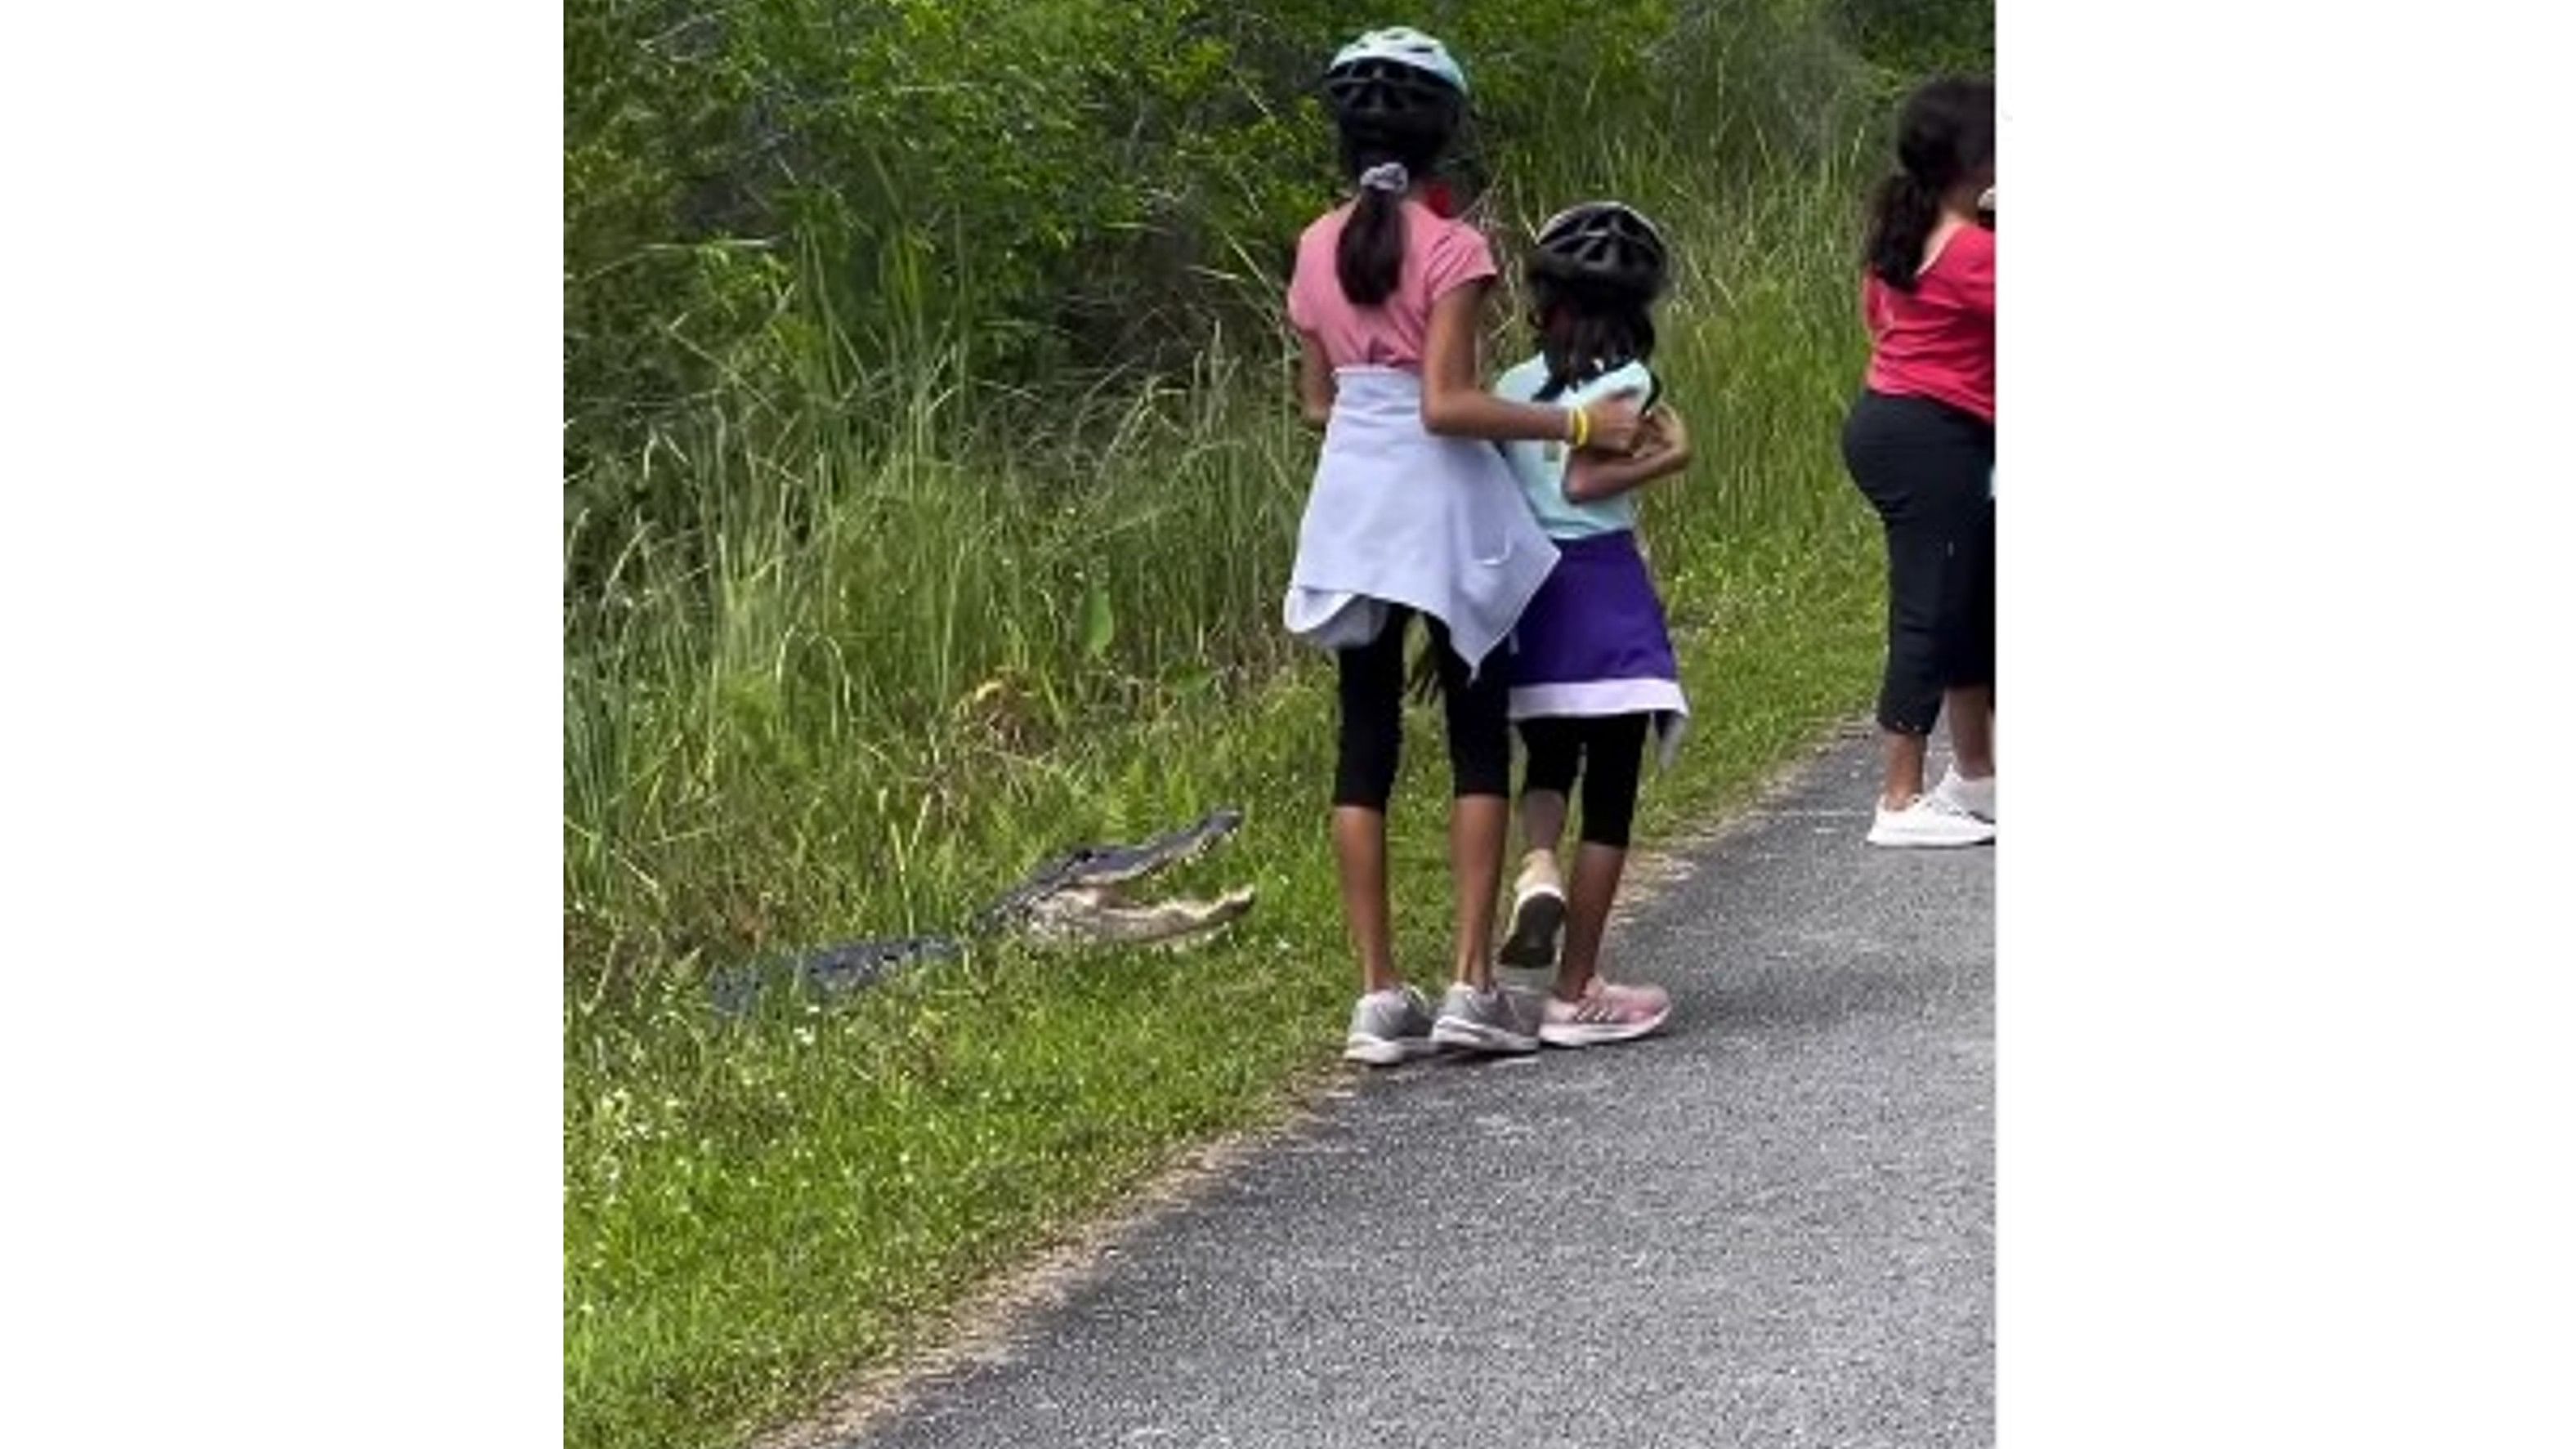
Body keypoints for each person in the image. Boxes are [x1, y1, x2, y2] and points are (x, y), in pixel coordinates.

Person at [1282, 27, 1644, 1065]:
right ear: (1445, 134)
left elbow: (1318, 400)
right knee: (1476, 738)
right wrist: (1578, 425)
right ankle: (1470, 984)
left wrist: (1370, 406)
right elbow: (1447, 405)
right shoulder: (1455, 249)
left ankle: (1375, 995)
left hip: (1351, 506)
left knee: (1363, 744)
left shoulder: (1312, 247)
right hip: (1443, 516)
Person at [1487, 201, 1692, 1046]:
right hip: (1601, 589)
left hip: (1531, 592)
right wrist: (1664, 458)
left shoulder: (1509, 388)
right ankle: (1575, 989)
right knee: (1610, 791)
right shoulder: (1625, 380)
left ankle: (1536, 866)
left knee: (1548, 759)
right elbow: (1579, 485)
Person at [1840, 77, 1997, 847]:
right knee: (1930, 607)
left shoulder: (1907, 230)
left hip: (1903, 425)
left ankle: (1976, 776)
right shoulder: (1972, 249)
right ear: (1979, 157)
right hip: (1931, 437)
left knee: (1968, 601)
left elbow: (1881, 318)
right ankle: (1897, 801)